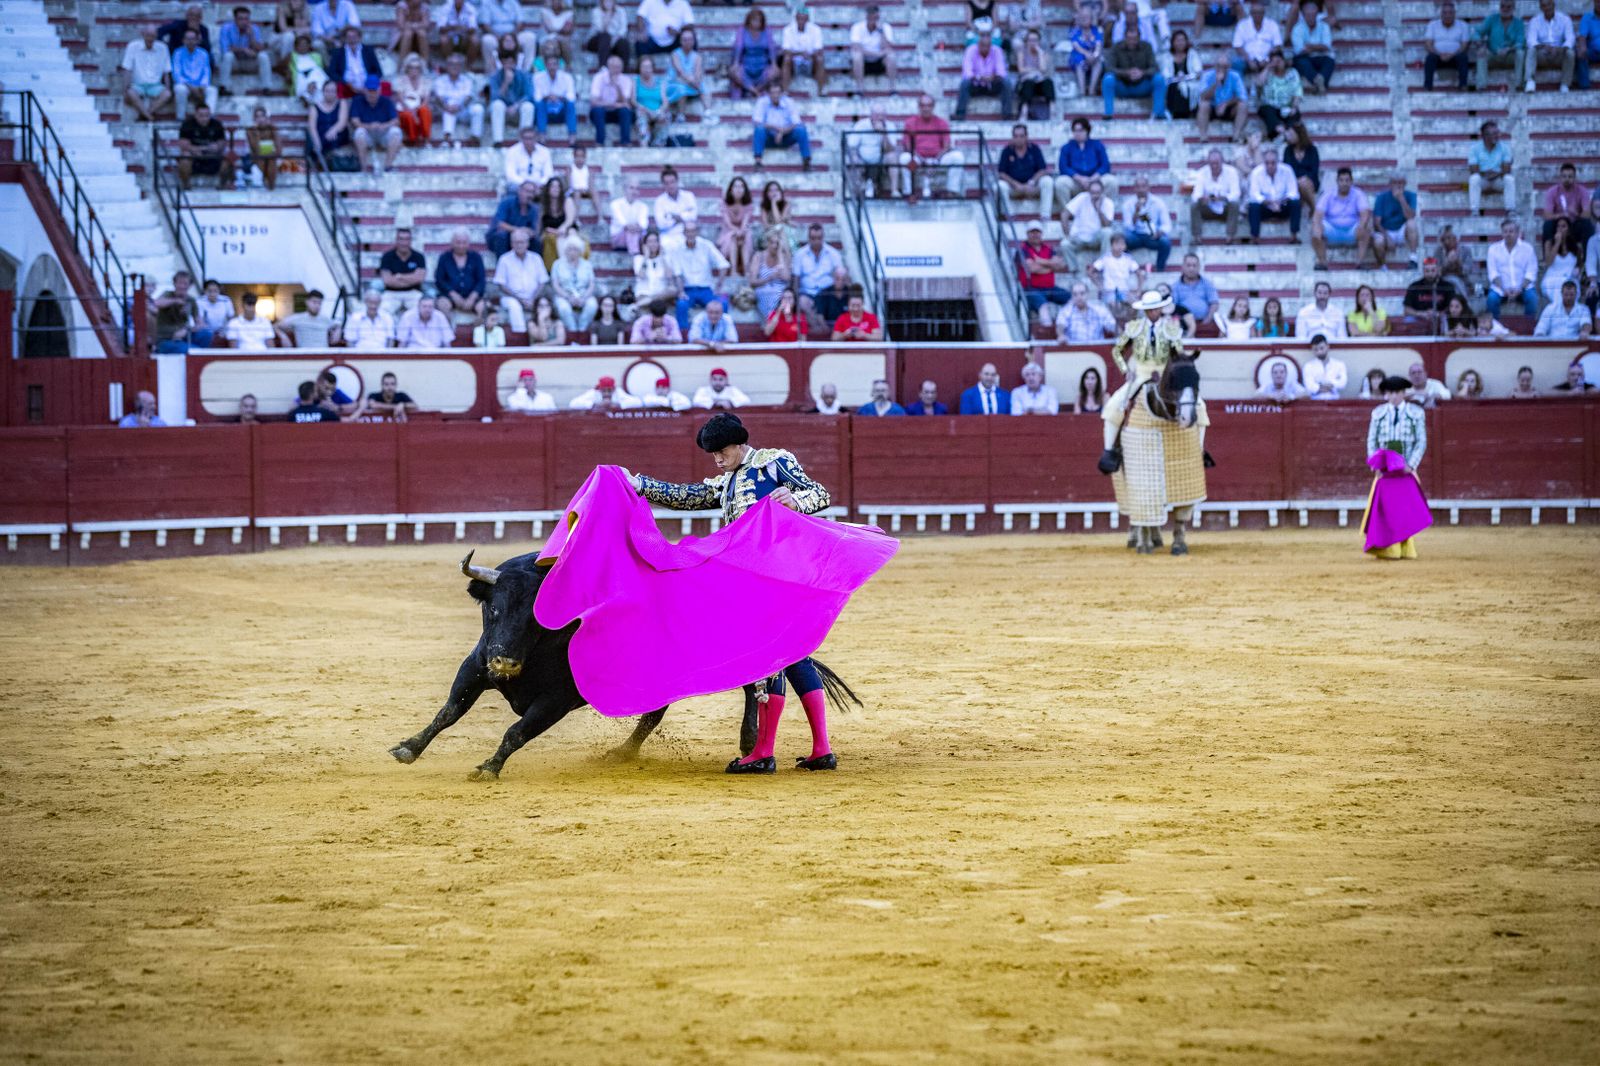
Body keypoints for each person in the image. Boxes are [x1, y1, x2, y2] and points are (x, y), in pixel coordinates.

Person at [629, 413, 842, 774]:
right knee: (795, 656)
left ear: (740, 443)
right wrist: (639, 484)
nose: (716, 459)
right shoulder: (727, 481)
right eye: (712, 453)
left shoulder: (774, 461)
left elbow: (819, 493)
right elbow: (689, 496)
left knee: (768, 655)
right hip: (753, 578)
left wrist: (795, 501)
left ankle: (763, 752)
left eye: (721, 451)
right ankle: (821, 749)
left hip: (776, 575)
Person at [1098, 289, 1189, 460]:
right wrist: (1126, 371)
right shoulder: (1134, 327)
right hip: (1140, 374)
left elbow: (1179, 356)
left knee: (1197, 405)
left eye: (1155, 309)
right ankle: (1109, 451)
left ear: (1160, 309)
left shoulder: (1171, 329)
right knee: (1113, 407)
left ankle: (1199, 450)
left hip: (1164, 374)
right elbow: (1117, 351)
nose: (1152, 312)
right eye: (1149, 309)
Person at [1361, 375, 1430, 561]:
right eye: (1389, 393)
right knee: (1386, 510)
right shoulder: (1378, 413)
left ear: (1403, 393)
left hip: (1405, 470)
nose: (1392, 397)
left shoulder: (1416, 413)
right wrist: (1375, 464)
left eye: (1396, 393)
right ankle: (1388, 548)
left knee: (1403, 510)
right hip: (1385, 471)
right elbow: (1372, 441)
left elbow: (1421, 441)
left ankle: (1406, 548)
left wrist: (1411, 464)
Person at [900, 95, 965, 200]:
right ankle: (908, 192)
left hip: (938, 157)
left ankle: (952, 191)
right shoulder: (910, 123)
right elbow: (908, 146)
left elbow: (947, 145)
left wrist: (935, 161)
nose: (926, 108)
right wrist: (923, 161)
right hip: (917, 157)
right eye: (923, 105)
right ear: (919, 107)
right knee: (904, 158)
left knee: (958, 157)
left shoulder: (941, 122)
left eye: (929, 105)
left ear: (933, 107)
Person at [1103, 21, 1168, 120]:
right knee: (1108, 79)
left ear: (1139, 38)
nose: (1132, 41)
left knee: (1159, 79)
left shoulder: (1147, 47)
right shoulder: (1116, 47)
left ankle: (1159, 113)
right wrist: (1126, 73)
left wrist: (1142, 73)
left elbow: (1155, 68)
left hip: (1142, 86)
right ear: (1124, 37)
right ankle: (1108, 114)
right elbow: (1109, 68)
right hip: (1122, 87)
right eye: (1129, 39)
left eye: (1134, 39)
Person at [1311, 167, 1370, 270]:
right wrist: (1317, 225)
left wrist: (1362, 225)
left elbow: (1365, 214)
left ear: (1351, 182)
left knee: (1366, 229)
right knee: (1315, 230)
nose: (1344, 183)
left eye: (1347, 180)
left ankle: (1359, 263)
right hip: (1332, 230)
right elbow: (1317, 215)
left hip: (1352, 230)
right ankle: (1322, 263)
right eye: (1341, 180)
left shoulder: (1358, 194)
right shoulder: (1328, 195)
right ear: (1337, 181)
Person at [493, 228, 550, 333]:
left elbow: (542, 282)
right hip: (511, 297)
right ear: (512, 244)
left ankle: (543, 337)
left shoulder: (536, 258)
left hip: (534, 297)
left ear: (527, 243)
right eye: (516, 242)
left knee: (544, 304)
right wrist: (520, 299)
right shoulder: (504, 259)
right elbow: (501, 285)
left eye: (522, 242)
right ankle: (520, 336)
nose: (519, 245)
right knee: (514, 305)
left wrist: (533, 299)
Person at [793, 225, 845, 333]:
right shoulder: (800, 254)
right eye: (813, 238)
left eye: (819, 238)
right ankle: (821, 327)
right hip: (808, 292)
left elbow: (840, 272)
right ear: (808, 238)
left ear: (823, 237)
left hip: (826, 293)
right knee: (802, 302)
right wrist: (795, 295)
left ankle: (829, 329)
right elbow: (796, 278)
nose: (816, 241)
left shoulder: (833, 253)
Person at [1016, 223, 1071, 323]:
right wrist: (1051, 266)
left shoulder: (1048, 248)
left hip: (1050, 288)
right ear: (1027, 234)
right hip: (1031, 289)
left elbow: (1059, 265)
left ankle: (1065, 325)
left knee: (1071, 298)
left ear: (1041, 233)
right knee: (1043, 305)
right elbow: (1032, 268)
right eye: (1032, 232)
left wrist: (1039, 260)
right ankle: (1047, 329)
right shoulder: (1023, 249)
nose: (1035, 234)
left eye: (1037, 232)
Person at [1485, 218, 1540, 318]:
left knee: (1533, 299)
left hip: (1523, 288)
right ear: (1502, 233)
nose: (1508, 234)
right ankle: (1495, 328)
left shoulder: (1527, 249)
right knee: (1491, 299)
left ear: (1518, 233)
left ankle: (1528, 329)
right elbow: (1493, 273)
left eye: (1511, 231)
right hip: (1500, 288)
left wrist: (1520, 289)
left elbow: (1531, 272)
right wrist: (1503, 289)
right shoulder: (1493, 249)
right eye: (1505, 231)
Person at [751, 83, 813, 170]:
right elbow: (757, 122)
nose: (775, 95)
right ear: (768, 94)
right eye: (773, 93)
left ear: (782, 93)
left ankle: (806, 161)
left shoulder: (789, 102)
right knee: (759, 129)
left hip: (786, 136)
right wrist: (776, 128)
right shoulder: (762, 102)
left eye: (778, 93)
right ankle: (758, 161)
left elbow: (796, 122)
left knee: (801, 130)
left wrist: (782, 132)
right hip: (769, 137)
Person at [1062, 178, 1117, 272]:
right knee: (1064, 244)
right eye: (1092, 192)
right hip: (1079, 237)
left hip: (1096, 238)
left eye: (1097, 192)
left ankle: (1103, 266)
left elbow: (1107, 225)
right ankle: (1074, 270)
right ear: (1088, 191)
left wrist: (1099, 210)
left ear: (1102, 192)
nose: (1095, 195)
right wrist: (1067, 235)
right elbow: (1064, 214)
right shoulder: (1082, 197)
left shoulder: (1108, 203)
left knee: (1107, 232)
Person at [1246, 148, 1301, 242]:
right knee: (1253, 206)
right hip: (1265, 206)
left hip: (1283, 204)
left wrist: (1281, 202)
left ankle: (1294, 235)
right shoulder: (1256, 172)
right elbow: (1254, 194)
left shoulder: (1287, 170)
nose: (1270, 166)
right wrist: (1268, 202)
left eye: (1273, 163)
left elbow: (1293, 192)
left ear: (1278, 162)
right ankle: (1255, 237)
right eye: (1267, 163)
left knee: (1295, 203)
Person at [350, 75, 402, 175]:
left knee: (396, 132)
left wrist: (383, 126)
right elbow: (354, 121)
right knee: (359, 133)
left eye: (374, 90)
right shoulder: (357, 101)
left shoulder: (387, 101)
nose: (372, 93)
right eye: (370, 90)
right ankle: (364, 168)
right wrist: (368, 126)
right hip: (367, 134)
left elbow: (395, 121)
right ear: (365, 90)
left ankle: (388, 166)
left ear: (379, 90)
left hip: (383, 134)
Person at [955, 33, 1014, 121]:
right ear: (978, 44)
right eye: (982, 45)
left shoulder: (997, 50)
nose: (985, 48)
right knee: (965, 83)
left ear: (991, 45)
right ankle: (959, 115)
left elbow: (1001, 72)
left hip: (992, 84)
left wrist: (992, 77)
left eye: (987, 46)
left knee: (1006, 82)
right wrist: (981, 77)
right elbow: (967, 73)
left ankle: (1007, 115)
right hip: (976, 85)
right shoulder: (970, 50)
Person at [1121, 175, 1174, 273]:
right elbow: (1128, 227)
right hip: (1135, 236)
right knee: (1122, 242)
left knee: (1165, 243)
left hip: (1152, 236)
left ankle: (1160, 270)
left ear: (1148, 187)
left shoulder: (1158, 203)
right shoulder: (1128, 204)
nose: (1141, 190)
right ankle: (1126, 269)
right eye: (1138, 187)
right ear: (1134, 188)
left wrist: (1159, 232)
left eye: (1143, 186)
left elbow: (1167, 225)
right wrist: (1136, 213)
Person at [1188, 149, 1242, 245]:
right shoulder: (1202, 173)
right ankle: (1197, 237)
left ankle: (1230, 236)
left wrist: (1222, 198)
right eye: (1211, 163)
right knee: (1194, 204)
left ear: (1222, 162)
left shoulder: (1231, 172)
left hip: (1225, 207)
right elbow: (1196, 194)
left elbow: (1236, 193)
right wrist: (1202, 198)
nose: (1214, 166)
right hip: (1208, 207)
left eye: (1217, 163)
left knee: (1235, 204)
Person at [122, 24, 173, 122]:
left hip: (155, 85)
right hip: (137, 85)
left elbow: (166, 71)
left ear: (156, 36)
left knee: (167, 94)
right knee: (130, 93)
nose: (150, 38)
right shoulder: (133, 46)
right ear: (142, 34)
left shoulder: (163, 48)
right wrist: (125, 90)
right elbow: (127, 69)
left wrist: (168, 88)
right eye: (148, 35)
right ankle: (149, 116)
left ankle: (145, 114)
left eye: (153, 36)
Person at [176, 103, 233, 190]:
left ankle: (222, 185)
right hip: (195, 157)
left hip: (212, 157)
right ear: (195, 115)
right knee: (184, 159)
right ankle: (186, 185)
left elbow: (222, 142)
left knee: (229, 158)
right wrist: (195, 149)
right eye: (201, 115)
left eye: (207, 115)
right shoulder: (187, 124)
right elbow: (183, 144)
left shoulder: (217, 124)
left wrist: (217, 147)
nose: (204, 118)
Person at [218, 5, 273, 95]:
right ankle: (223, 87)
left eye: (246, 19)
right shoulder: (226, 28)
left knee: (263, 56)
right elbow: (225, 49)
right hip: (235, 63)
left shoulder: (254, 28)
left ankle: (266, 88)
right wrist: (243, 50)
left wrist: (251, 37)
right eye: (241, 19)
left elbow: (260, 49)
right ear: (235, 19)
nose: (244, 22)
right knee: (228, 56)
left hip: (249, 62)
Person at [433, 230, 486, 321]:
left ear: (468, 243)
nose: (461, 245)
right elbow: (439, 280)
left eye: (464, 242)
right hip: (449, 296)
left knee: (483, 308)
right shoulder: (444, 257)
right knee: (442, 305)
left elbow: (481, 280)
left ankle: (477, 333)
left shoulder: (476, 257)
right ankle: (449, 333)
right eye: (458, 242)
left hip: (472, 295)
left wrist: (472, 297)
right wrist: (453, 294)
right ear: (452, 243)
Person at [1371, 172, 1421, 271]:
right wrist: (1387, 237)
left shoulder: (1411, 196)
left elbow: (1410, 216)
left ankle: (1413, 258)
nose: (1398, 186)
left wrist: (1401, 199)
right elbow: (1377, 223)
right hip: (1386, 230)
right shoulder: (1381, 197)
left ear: (1405, 184)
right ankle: (1383, 266)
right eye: (1395, 183)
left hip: (1401, 230)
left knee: (1412, 223)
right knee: (1378, 241)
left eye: (1401, 183)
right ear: (1390, 184)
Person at [1058, 117, 1114, 202]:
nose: (1077, 133)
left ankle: (1103, 211)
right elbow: (1063, 167)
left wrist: (1093, 179)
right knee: (1060, 183)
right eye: (1075, 131)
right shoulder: (1066, 147)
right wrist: (1079, 178)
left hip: (1095, 180)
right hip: (1076, 182)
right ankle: (1068, 213)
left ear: (1087, 131)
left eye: (1080, 130)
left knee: (1111, 181)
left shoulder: (1097, 145)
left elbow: (1105, 165)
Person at [1539, 163, 1594, 248]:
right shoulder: (1552, 191)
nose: (1567, 179)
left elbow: (1587, 214)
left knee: (1587, 224)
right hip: (1558, 224)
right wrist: (1560, 215)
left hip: (1575, 224)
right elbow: (1547, 215)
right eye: (1564, 176)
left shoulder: (1582, 191)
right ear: (1560, 178)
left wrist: (1576, 214)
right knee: (1547, 225)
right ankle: (1548, 258)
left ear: (1575, 178)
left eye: (1570, 176)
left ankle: (1586, 259)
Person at [1195, 51, 1247, 141]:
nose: (1222, 69)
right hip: (1212, 108)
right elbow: (1203, 96)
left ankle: (1236, 136)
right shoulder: (1207, 76)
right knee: (1204, 105)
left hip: (1228, 109)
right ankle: (1203, 137)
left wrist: (1226, 104)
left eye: (1225, 66)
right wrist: (1216, 84)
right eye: (1219, 66)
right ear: (1215, 66)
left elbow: (1242, 96)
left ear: (1229, 66)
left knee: (1243, 105)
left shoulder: (1235, 76)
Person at [1476, 0, 1527, 90]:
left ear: (1513, 8)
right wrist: (1480, 43)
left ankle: (1519, 85)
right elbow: (1477, 32)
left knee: (1520, 53)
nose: (1505, 9)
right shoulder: (1492, 19)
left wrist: (1509, 49)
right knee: (1481, 52)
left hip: (1510, 55)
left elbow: (1521, 42)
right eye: (1502, 6)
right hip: (1493, 54)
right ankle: (1481, 86)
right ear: (1499, 7)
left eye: (1508, 7)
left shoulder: (1518, 23)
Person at [1467, 120, 1515, 217]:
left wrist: (1493, 174)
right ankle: (1474, 211)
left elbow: (1507, 169)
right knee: (1474, 179)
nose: (1498, 136)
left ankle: (1510, 210)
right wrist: (1491, 173)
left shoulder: (1505, 148)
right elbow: (1473, 170)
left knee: (1509, 179)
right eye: (1494, 134)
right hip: (1484, 181)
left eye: (1498, 133)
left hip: (1498, 180)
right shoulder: (1474, 149)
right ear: (1485, 136)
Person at [1525, 0, 1576, 92]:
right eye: (1544, 6)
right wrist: (1544, 47)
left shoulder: (1564, 19)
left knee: (1570, 53)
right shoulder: (1535, 21)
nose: (1547, 8)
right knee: (1531, 50)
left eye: (1549, 5)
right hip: (1542, 53)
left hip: (1559, 53)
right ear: (1540, 8)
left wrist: (1560, 49)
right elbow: (1531, 40)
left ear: (1554, 5)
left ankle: (1565, 84)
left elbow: (1570, 38)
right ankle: (1530, 81)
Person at [549, 238, 597, 333]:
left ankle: (582, 329)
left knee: (592, 305)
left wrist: (584, 297)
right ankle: (572, 331)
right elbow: (555, 285)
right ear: (565, 250)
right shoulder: (557, 264)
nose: (572, 252)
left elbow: (591, 284)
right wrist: (568, 297)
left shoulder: (587, 265)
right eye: (569, 249)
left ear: (580, 251)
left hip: (583, 294)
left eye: (575, 249)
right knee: (564, 307)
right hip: (564, 294)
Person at [1422, 0, 1472, 91]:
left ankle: (1463, 85)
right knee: (1430, 58)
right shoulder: (1432, 25)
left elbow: (1464, 45)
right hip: (1438, 57)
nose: (1447, 15)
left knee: (1463, 57)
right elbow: (1428, 44)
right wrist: (1439, 54)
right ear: (1441, 14)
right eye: (1445, 13)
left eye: (1450, 13)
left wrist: (1452, 55)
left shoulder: (1463, 25)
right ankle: (1427, 86)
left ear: (1454, 14)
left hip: (1455, 57)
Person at [849, 6, 898, 95]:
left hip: (880, 61)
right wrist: (877, 54)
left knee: (891, 56)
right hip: (864, 60)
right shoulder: (857, 27)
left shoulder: (885, 27)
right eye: (870, 17)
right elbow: (856, 47)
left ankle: (893, 88)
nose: (873, 20)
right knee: (856, 56)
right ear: (866, 17)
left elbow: (888, 47)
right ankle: (859, 88)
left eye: (875, 18)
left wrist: (881, 32)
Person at [730, 8, 778, 99]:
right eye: (754, 20)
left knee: (775, 72)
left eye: (759, 21)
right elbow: (738, 47)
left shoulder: (767, 31)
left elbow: (772, 48)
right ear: (749, 20)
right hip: (746, 64)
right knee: (734, 73)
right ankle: (753, 91)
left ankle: (757, 89)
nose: (756, 23)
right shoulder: (742, 30)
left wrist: (774, 64)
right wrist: (736, 63)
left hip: (762, 65)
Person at [589, 53, 635, 147]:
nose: (616, 70)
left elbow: (625, 103)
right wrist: (614, 104)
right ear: (608, 66)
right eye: (614, 67)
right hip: (602, 113)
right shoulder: (599, 78)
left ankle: (625, 142)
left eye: (618, 67)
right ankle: (599, 142)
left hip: (617, 113)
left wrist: (617, 86)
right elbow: (594, 102)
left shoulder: (626, 80)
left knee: (625, 111)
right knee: (598, 110)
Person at [1090, 233, 1146, 310]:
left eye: (1122, 244)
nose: (1120, 247)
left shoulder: (1128, 258)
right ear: (1111, 245)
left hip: (1125, 291)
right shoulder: (1105, 258)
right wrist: (1100, 286)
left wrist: (1138, 290)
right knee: (1113, 305)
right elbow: (1090, 272)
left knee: (1136, 305)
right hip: (1109, 291)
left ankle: (1132, 322)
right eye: (1117, 244)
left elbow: (1140, 274)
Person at [379, 227, 427, 317]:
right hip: (391, 293)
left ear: (410, 241)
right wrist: (411, 278)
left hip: (413, 293)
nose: (404, 243)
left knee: (423, 310)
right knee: (382, 311)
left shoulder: (419, 257)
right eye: (401, 239)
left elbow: (419, 279)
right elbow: (387, 281)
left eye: (407, 239)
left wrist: (399, 276)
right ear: (396, 240)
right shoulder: (387, 256)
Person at [170, 28, 216, 122]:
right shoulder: (178, 53)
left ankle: (209, 117)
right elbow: (177, 74)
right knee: (180, 89)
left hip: (200, 85)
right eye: (188, 39)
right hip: (185, 84)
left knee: (212, 90)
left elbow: (206, 71)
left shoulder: (203, 53)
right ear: (183, 40)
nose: (190, 41)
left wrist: (203, 85)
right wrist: (190, 86)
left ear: (197, 40)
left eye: (193, 39)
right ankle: (180, 117)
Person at [1290, 0, 1336, 93]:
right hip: (1306, 58)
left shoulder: (1324, 26)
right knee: (1301, 61)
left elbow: (1327, 46)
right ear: (1303, 15)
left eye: (1313, 14)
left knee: (1330, 61)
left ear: (1317, 14)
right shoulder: (1297, 28)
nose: (1311, 17)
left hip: (1320, 58)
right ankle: (1319, 81)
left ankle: (1317, 83)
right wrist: (1319, 47)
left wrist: (1309, 46)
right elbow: (1299, 50)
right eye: (1308, 15)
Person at [1060, 6, 1105, 98]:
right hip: (1080, 55)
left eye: (1087, 17)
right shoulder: (1075, 31)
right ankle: (1082, 91)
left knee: (1099, 62)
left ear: (1091, 18)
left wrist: (1095, 55)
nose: (1084, 19)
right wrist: (1087, 54)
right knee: (1079, 60)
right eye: (1082, 17)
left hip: (1093, 56)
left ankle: (1092, 90)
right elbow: (1076, 46)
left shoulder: (1098, 30)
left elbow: (1098, 46)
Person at [537, 176, 581, 269]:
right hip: (550, 232)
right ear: (548, 189)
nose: (555, 189)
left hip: (567, 230)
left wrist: (562, 229)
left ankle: (569, 266)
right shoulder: (544, 205)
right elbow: (541, 224)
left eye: (558, 187)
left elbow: (570, 220)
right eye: (553, 187)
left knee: (569, 234)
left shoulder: (567, 201)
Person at [1232, 1, 1282, 83]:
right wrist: (1249, 60)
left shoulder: (1272, 25)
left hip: (1268, 60)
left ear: (1264, 13)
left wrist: (1267, 59)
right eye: (1255, 13)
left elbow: (1277, 45)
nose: (1257, 15)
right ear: (1250, 13)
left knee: (1280, 63)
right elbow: (1238, 46)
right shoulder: (1242, 25)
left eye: (1260, 13)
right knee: (1237, 64)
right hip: (1247, 60)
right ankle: (1239, 93)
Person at [779, 7, 826, 93]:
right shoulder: (787, 30)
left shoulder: (816, 30)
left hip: (811, 60)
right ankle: (785, 91)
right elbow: (785, 50)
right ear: (795, 18)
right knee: (786, 59)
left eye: (804, 19)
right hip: (794, 61)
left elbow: (819, 49)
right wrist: (800, 53)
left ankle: (821, 91)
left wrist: (809, 55)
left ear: (808, 19)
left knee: (820, 59)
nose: (801, 21)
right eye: (799, 18)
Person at [652, 165, 698, 249]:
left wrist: (675, 217)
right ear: (663, 185)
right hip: (668, 236)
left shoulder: (689, 196)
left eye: (672, 182)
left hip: (688, 234)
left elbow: (693, 216)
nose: (670, 186)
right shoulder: (659, 201)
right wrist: (682, 217)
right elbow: (661, 224)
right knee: (665, 246)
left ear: (677, 181)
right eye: (667, 183)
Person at [1013, 29, 1054, 120]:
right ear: (1026, 41)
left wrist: (1039, 53)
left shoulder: (1043, 53)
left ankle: (1052, 111)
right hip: (1025, 82)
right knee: (1028, 83)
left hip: (1040, 82)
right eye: (1030, 40)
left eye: (1035, 40)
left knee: (1048, 82)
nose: (1032, 42)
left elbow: (1043, 69)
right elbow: (1021, 70)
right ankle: (1024, 112)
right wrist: (1035, 71)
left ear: (1039, 41)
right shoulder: (1021, 52)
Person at [308, 80, 351, 165]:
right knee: (316, 143)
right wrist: (317, 141)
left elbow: (342, 122)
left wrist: (333, 131)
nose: (330, 93)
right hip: (321, 135)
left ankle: (324, 161)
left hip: (337, 133)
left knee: (333, 139)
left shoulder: (342, 103)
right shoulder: (315, 107)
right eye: (327, 91)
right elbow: (312, 127)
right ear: (323, 91)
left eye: (332, 91)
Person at [327, 25, 380, 90]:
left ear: (360, 38)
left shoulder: (368, 51)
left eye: (354, 37)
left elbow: (378, 71)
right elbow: (332, 73)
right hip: (346, 87)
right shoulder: (338, 53)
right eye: (349, 37)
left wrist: (369, 82)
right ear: (344, 39)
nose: (352, 40)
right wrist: (346, 83)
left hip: (367, 87)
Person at [608, 178, 651, 258]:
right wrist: (633, 227)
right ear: (625, 189)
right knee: (630, 232)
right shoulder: (615, 204)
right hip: (619, 238)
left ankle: (637, 255)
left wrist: (634, 227)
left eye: (637, 189)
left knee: (639, 234)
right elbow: (623, 224)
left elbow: (643, 225)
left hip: (637, 237)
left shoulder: (643, 206)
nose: (634, 191)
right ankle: (636, 256)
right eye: (631, 188)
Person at [1172, 254, 1219, 325]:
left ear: (1199, 267)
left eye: (1194, 265)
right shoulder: (1175, 286)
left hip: (1204, 323)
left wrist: (1207, 320)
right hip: (1183, 324)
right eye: (1188, 265)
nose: (1191, 269)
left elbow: (1214, 303)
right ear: (1183, 267)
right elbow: (1173, 307)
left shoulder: (1207, 284)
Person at [1542, 220, 1581, 305]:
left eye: (1563, 226)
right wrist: (1557, 243)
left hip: (1570, 279)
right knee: (1558, 288)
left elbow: (1579, 265)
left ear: (1569, 229)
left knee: (1570, 287)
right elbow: (1548, 262)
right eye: (1558, 226)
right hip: (1552, 279)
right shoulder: (1549, 243)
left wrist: (1577, 272)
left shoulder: (1576, 246)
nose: (1560, 229)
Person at [242, 106, 279, 190]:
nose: (260, 119)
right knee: (262, 160)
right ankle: (266, 186)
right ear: (254, 119)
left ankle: (270, 188)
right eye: (257, 117)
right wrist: (256, 133)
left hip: (270, 157)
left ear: (266, 117)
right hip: (254, 159)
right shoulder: (250, 130)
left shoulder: (273, 129)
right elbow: (255, 149)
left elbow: (279, 149)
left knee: (271, 161)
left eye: (262, 116)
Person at [1302, 333, 1346, 399]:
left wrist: (1331, 384)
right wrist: (1326, 386)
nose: (1319, 352)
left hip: (1334, 399)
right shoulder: (1308, 366)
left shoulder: (1339, 364)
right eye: (1316, 349)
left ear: (1328, 346)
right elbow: (1309, 386)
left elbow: (1342, 383)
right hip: (1316, 401)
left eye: (1321, 348)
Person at [570, 375, 643, 411]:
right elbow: (573, 403)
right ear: (600, 389)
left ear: (613, 389)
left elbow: (638, 402)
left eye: (609, 390)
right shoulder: (594, 393)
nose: (607, 393)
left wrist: (619, 405)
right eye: (604, 391)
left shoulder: (618, 392)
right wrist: (594, 405)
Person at [1579, 0, 1600, 89]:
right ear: (1594, 3)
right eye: (1598, 2)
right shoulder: (1587, 17)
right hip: (1594, 52)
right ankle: (1585, 86)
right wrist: (1582, 48)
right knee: (1580, 55)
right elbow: (1582, 36)